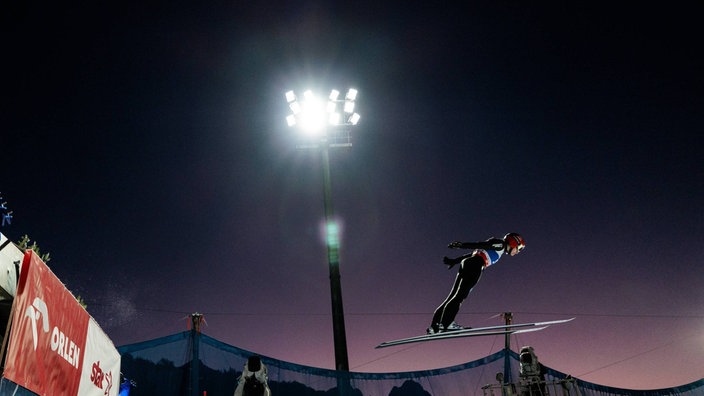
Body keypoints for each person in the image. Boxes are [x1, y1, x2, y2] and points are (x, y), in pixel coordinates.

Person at [427, 233, 525, 334]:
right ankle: (447, 324)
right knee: (460, 296)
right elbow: (480, 245)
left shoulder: (498, 247)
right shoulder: (500, 245)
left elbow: (473, 253)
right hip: (475, 266)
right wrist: (461, 245)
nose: (518, 251)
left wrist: (454, 261)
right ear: (514, 242)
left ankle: (435, 326)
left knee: (453, 296)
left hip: (468, 263)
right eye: (519, 248)